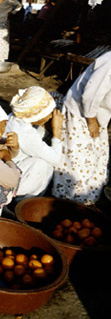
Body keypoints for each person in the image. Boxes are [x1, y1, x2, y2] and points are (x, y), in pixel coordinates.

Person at [52, 51, 111, 205]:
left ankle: (89, 200)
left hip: (100, 115)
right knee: (79, 160)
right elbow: (91, 94)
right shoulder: (109, 62)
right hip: (82, 113)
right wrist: (91, 120)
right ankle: (69, 201)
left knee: (97, 157)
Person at [5, 86, 63, 199]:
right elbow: (56, 159)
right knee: (44, 165)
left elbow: (34, 142)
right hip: (10, 175)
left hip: (9, 167)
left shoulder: (16, 118)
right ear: (38, 116)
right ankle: (21, 199)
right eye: (49, 113)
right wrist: (57, 132)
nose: (52, 116)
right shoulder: (25, 132)